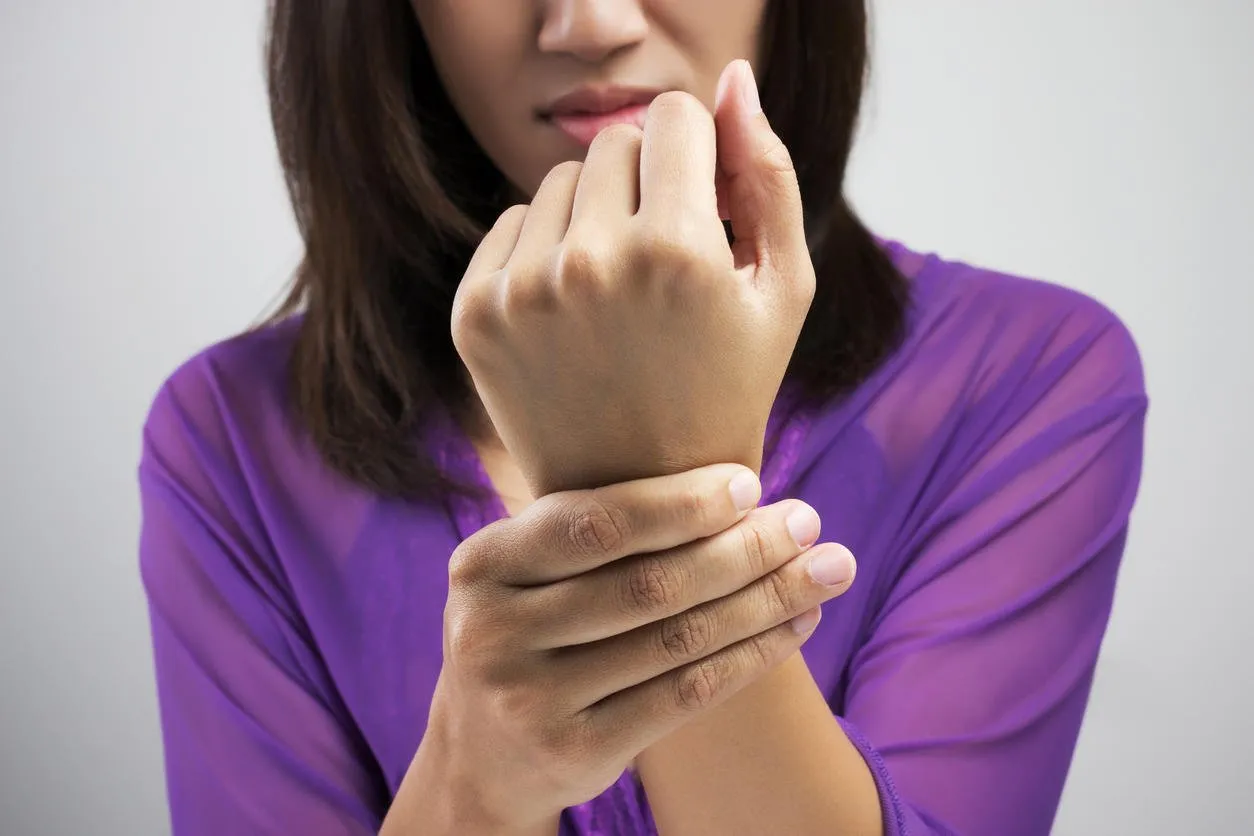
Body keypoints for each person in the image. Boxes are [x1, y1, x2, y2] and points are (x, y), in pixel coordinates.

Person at [137, 2, 1147, 834]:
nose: (589, 23)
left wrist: (639, 466)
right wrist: (477, 771)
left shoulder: (1027, 375)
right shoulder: (230, 435)